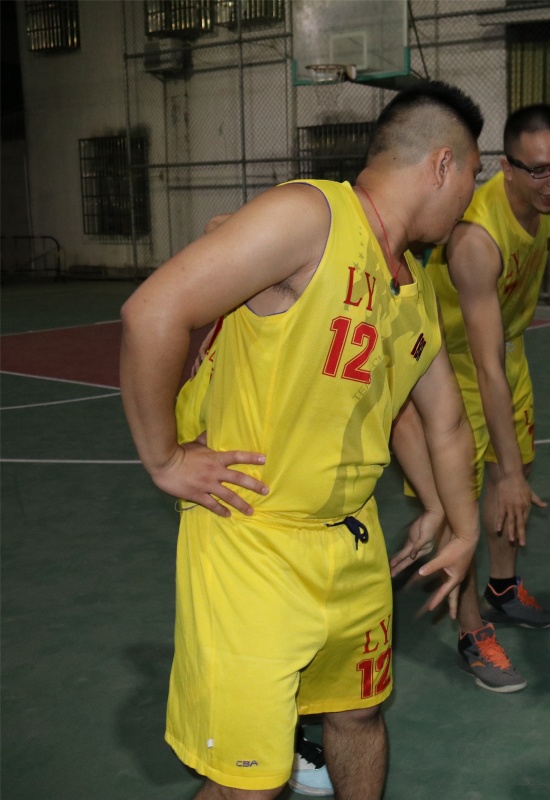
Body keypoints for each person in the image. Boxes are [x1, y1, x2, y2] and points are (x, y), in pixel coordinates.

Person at [121, 81, 485, 800]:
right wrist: (165, 457)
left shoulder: (410, 285)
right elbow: (153, 311)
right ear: (442, 164)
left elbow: (438, 418)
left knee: (359, 717)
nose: (472, 199)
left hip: (351, 543)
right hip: (253, 543)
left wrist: (459, 521)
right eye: (475, 175)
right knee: (251, 784)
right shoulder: (310, 216)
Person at [414, 104, 550, 692]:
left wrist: (513, 469)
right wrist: (504, 471)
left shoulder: (542, 205)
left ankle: (503, 590)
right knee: (460, 502)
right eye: (539, 170)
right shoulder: (476, 239)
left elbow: (498, 354)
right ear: (506, 168)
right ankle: (470, 631)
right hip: (447, 367)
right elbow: (484, 368)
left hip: (505, 351)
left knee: (519, 473)